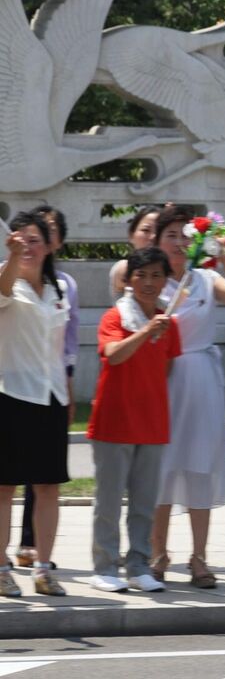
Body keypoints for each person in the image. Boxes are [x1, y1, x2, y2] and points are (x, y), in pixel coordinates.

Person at [151, 204, 225, 590]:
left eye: (184, 235)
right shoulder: (149, 282)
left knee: (197, 469)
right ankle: (157, 554)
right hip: (164, 381)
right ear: (158, 241)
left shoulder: (206, 279)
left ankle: (199, 557)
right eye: (170, 236)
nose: (178, 243)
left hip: (203, 381)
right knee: (162, 470)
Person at [86, 246, 180, 594]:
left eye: (157, 275)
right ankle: (104, 567)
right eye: (142, 275)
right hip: (113, 422)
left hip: (153, 423)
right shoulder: (115, 317)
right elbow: (114, 355)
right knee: (108, 502)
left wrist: (156, 330)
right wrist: (145, 333)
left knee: (144, 503)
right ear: (128, 280)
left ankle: (139, 566)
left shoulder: (170, 324)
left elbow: (166, 368)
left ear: (166, 280)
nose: (149, 282)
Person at [0, 213, 71, 596]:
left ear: (49, 244)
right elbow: (2, 291)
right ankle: (0, 568)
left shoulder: (58, 287)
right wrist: (10, 258)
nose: (28, 246)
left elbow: (59, 349)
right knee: (4, 488)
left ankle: (43, 569)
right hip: (12, 394)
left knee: (48, 487)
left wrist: (69, 392)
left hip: (52, 397)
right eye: (21, 239)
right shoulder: (6, 276)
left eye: (35, 239)